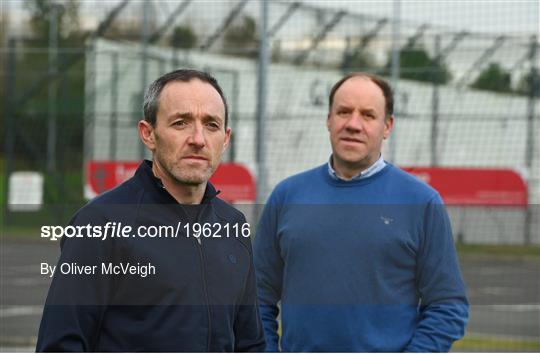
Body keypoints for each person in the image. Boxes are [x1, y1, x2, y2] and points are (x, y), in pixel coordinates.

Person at [37, 69, 266, 352]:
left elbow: (250, 343)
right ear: (149, 134)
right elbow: (60, 346)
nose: (198, 138)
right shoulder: (100, 224)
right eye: (181, 123)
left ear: (225, 138)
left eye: (211, 124)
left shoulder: (233, 225)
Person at [254, 72, 469, 352]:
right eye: (343, 112)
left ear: (387, 126)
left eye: (367, 115)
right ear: (328, 120)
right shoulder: (286, 196)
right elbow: (255, 296)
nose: (353, 124)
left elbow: (448, 306)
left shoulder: (422, 202)